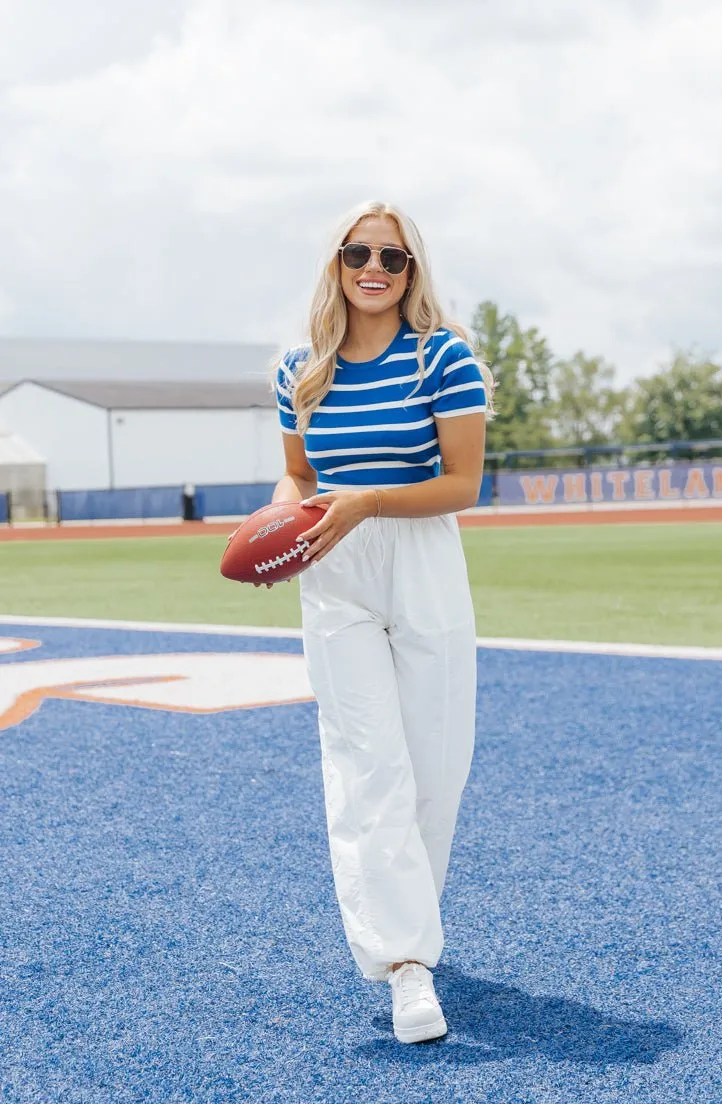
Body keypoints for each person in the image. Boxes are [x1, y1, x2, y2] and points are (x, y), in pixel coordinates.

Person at [271, 200, 492, 1043]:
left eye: (391, 257)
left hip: (420, 553)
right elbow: (296, 473)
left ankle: (410, 925)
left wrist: (367, 501)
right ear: (336, 264)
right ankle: (407, 965)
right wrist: (279, 524)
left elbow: (463, 485)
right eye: (357, 253)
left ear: (411, 271)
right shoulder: (299, 368)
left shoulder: (445, 358)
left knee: (435, 767)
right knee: (369, 766)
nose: (374, 266)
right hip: (334, 566)